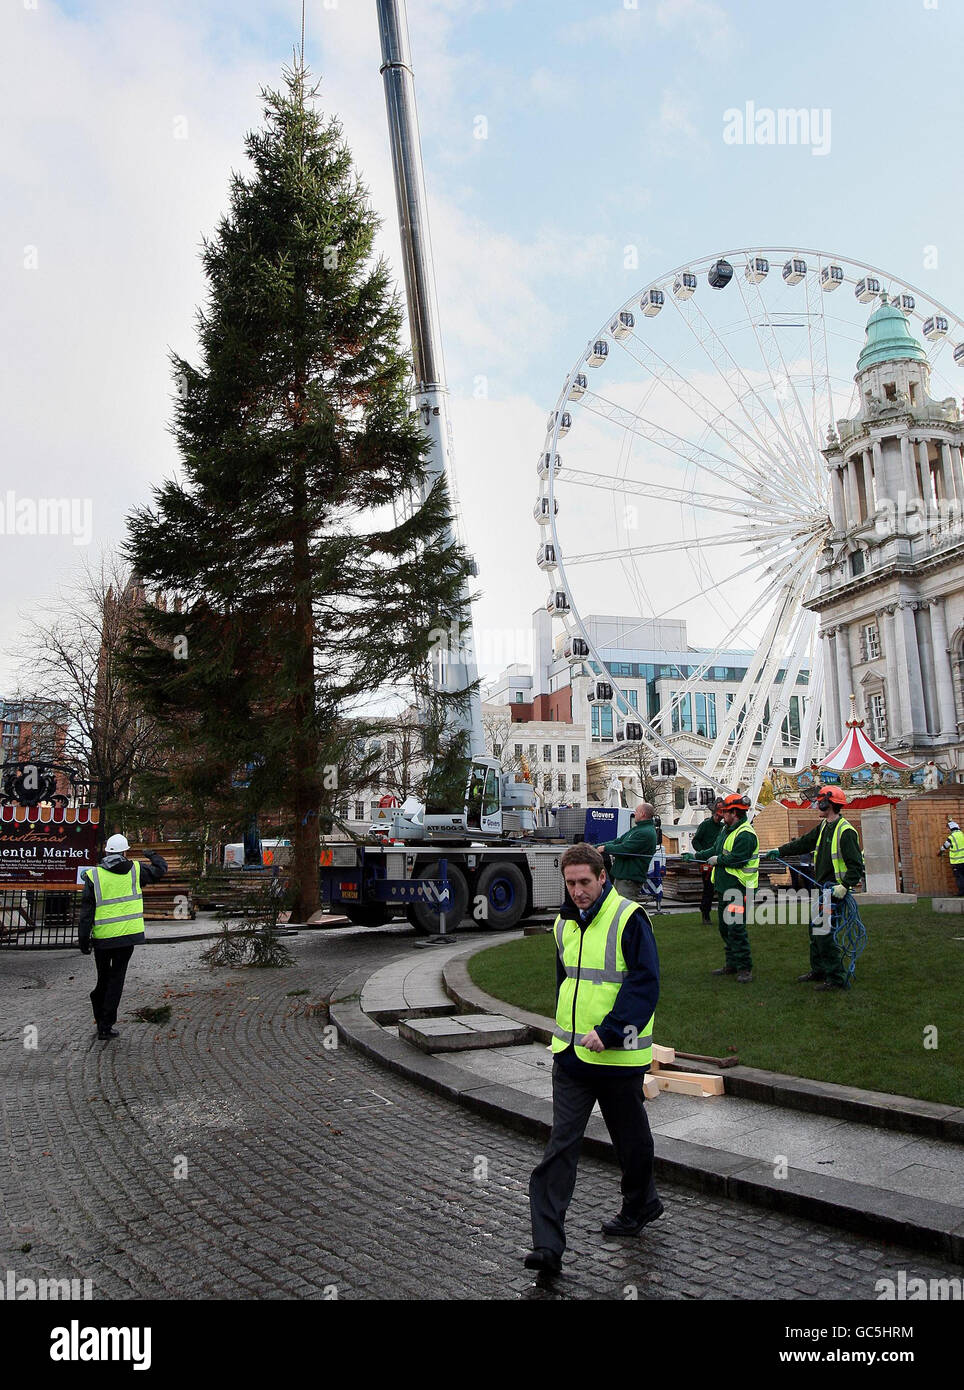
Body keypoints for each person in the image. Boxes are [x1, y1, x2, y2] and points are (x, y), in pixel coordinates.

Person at [525, 843, 661, 1276]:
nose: (579, 891)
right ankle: (547, 1248)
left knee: (630, 1140)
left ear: (603, 877)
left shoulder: (629, 917)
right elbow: (567, 979)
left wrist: (609, 1030)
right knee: (560, 1147)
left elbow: (645, 984)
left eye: (585, 882)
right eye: (571, 883)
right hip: (570, 1058)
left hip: (618, 1058)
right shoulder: (564, 922)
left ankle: (641, 1204)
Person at [764, 786, 863, 990]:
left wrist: (844, 886)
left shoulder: (845, 832)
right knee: (815, 930)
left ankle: (835, 978)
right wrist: (780, 851)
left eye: (819, 801)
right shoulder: (824, 826)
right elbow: (804, 843)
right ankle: (819, 971)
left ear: (829, 803)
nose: (817, 805)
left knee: (824, 933)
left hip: (834, 892)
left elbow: (856, 866)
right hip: (823, 891)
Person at [78, 834, 168, 1039]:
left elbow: (86, 912)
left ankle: (100, 1017)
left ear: (107, 852)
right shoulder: (136, 870)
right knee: (116, 980)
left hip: (102, 939)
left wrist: (83, 939)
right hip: (127, 937)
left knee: (103, 979)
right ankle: (105, 1025)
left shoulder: (94, 876)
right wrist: (152, 854)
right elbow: (161, 870)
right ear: (125, 852)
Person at [699, 792, 758, 983]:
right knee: (725, 928)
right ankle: (731, 964)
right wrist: (695, 855)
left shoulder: (746, 834)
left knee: (736, 928)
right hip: (726, 888)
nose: (722, 814)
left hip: (739, 889)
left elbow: (738, 859)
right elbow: (715, 851)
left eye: (725, 811)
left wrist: (718, 860)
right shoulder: (726, 830)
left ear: (735, 812)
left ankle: (745, 968)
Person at [599, 802, 657, 905]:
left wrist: (605, 848)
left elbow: (625, 850)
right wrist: (594, 847)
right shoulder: (636, 830)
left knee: (623, 909)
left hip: (629, 879)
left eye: (636, 811)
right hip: (622, 877)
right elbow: (617, 841)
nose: (635, 814)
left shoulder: (645, 833)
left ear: (643, 814)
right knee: (616, 908)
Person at [692, 799, 724, 924]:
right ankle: (705, 914)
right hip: (706, 863)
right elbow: (695, 841)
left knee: (719, 888)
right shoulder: (705, 825)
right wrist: (703, 854)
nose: (720, 817)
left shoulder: (723, 827)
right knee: (708, 889)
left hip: (719, 862)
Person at [937, 818, 964, 896]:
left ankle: (961, 892)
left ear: (951, 828)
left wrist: (939, 852)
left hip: (957, 861)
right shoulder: (962, 834)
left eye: (948, 829)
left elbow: (945, 846)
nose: (948, 830)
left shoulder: (952, 837)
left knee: (959, 877)